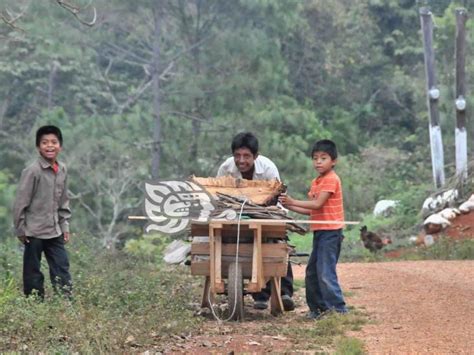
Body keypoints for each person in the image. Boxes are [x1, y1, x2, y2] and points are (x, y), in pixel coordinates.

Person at [217, 132, 295, 311]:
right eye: (237, 155)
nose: (241, 160)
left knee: (276, 242)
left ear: (256, 156)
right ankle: (259, 295)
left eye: (246, 156)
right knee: (240, 242)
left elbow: (276, 196)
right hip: (236, 215)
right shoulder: (226, 168)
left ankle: (285, 291)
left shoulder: (268, 168)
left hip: (266, 212)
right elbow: (219, 196)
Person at [279, 139, 347, 319]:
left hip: (331, 233)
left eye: (323, 158)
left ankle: (338, 309)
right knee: (312, 272)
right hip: (320, 231)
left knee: (325, 272)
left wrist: (293, 201)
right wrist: (289, 205)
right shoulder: (317, 181)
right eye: (315, 158)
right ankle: (317, 309)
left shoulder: (331, 179)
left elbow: (317, 204)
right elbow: (311, 209)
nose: (318, 162)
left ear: (334, 161)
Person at [13, 125, 72, 299]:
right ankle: (34, 307)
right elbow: (20, 203)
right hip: (34, 232)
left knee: (62, 268)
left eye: (54, 142)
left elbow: (63, 200)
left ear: (60, 146)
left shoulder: (62, 169)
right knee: (33, 273)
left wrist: (65, 225)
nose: (49, 146)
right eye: (44, 142)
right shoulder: (32, 171)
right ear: (38, 147)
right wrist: (21, 230)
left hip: (55, 230)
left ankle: (66, 307)